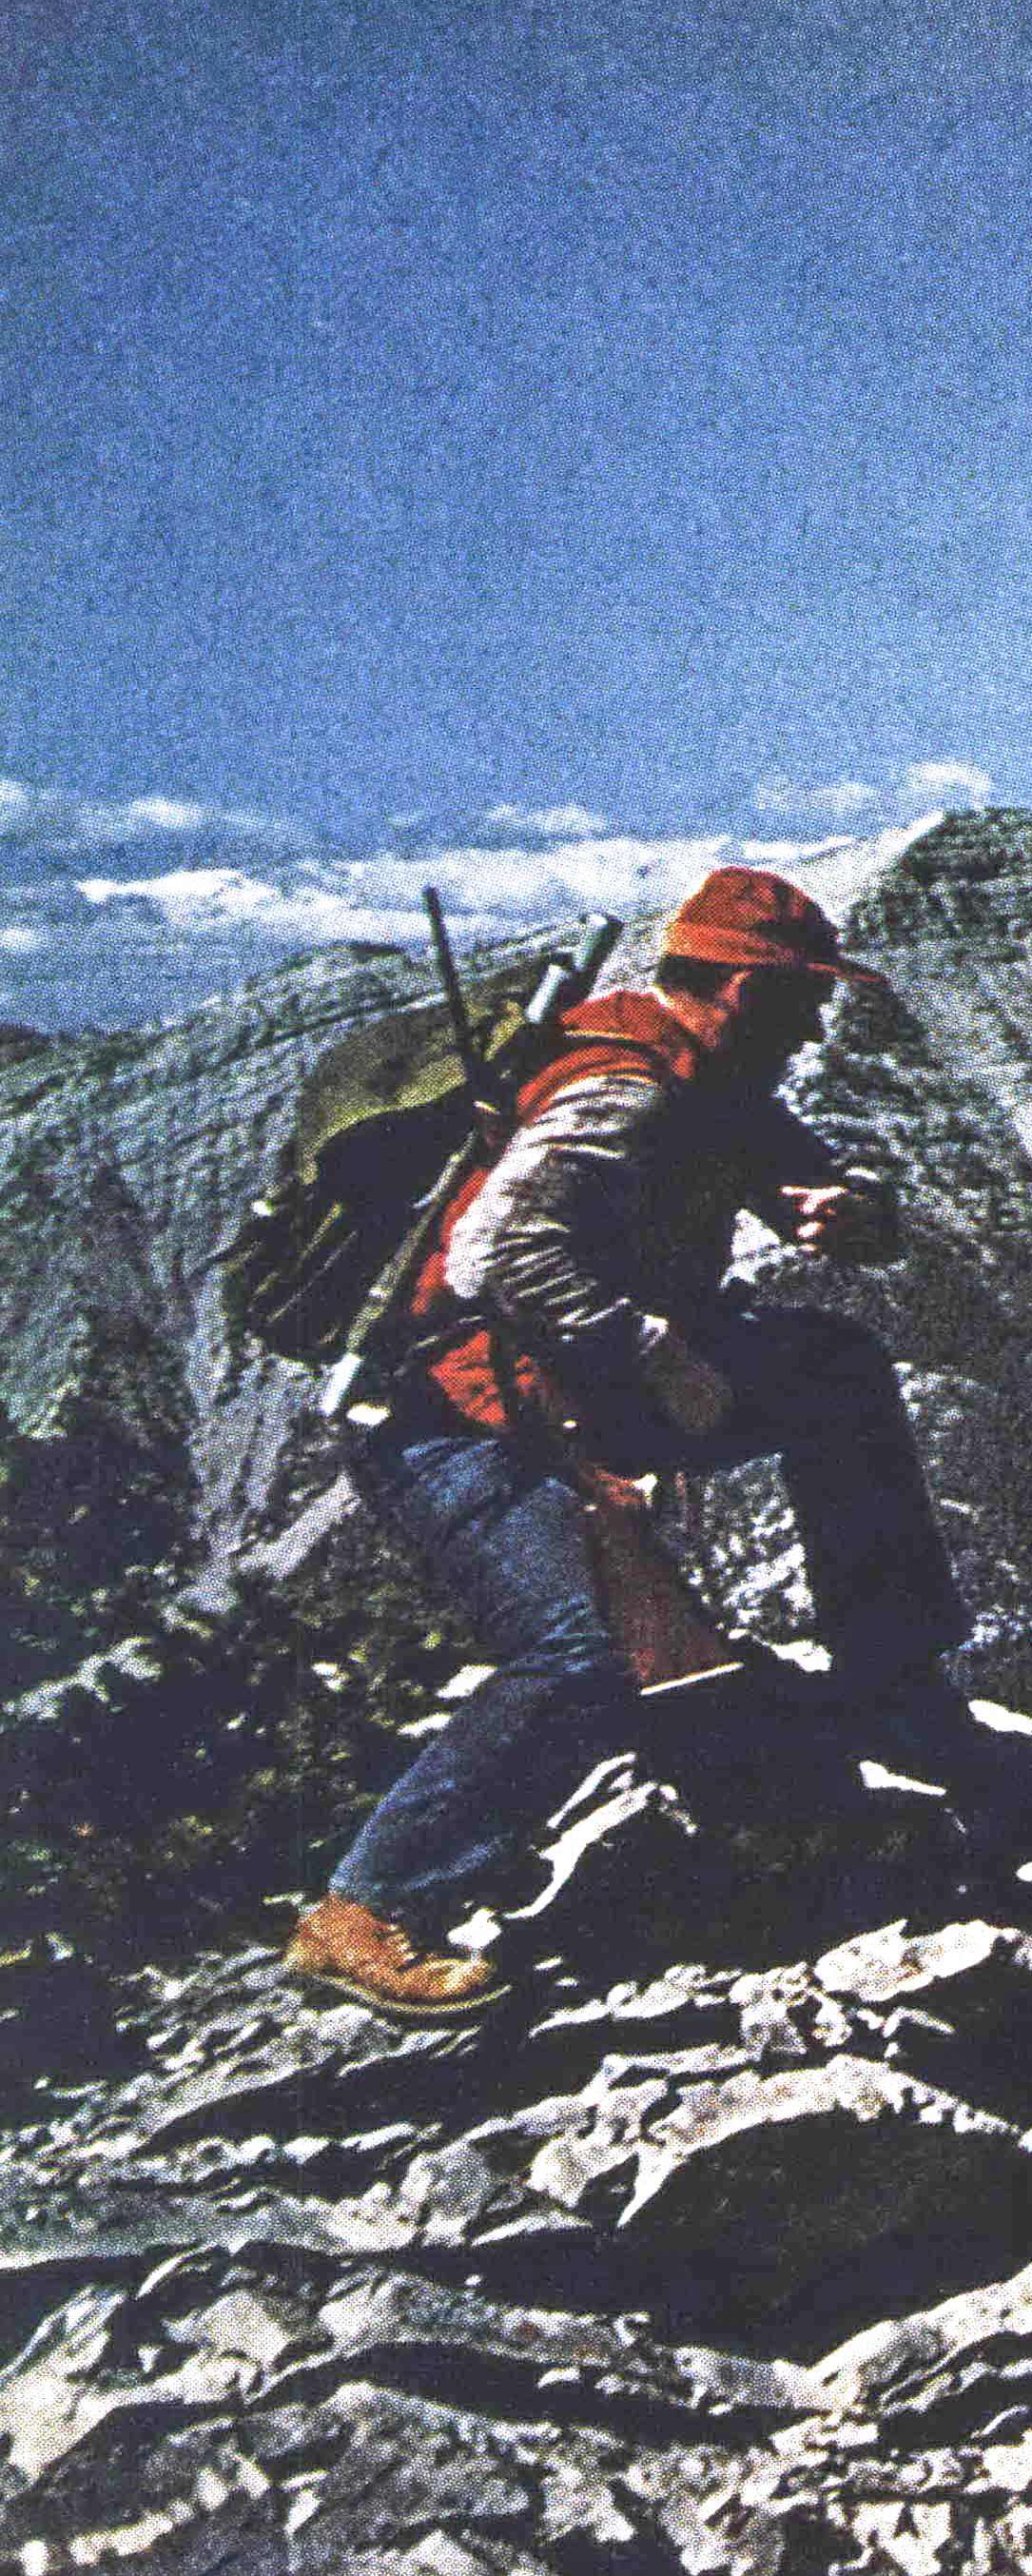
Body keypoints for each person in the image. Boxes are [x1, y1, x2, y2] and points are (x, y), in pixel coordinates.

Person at [282, 866, 967, 2020]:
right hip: (456, 1420)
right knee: (580, 1653)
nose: (820, 1023)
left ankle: (891, 1667)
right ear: (747, 991)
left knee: (837, 1370)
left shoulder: (722, 1082)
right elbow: (500, 1255)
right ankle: (365, 1907)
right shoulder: (627, 1089)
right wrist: (660, 1353)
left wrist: (850, 1210)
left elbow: (828, 1194)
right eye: (807, 999)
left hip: (578, 1389)